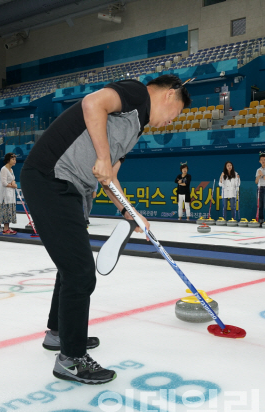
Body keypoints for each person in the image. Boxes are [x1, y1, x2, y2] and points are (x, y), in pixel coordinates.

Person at [21, 74, 191, 384]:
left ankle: (59, 334)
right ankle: (71, 360)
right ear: (170, 96)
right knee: (80, 272)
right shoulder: (136, 93)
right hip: (50, 177)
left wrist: (130, 212)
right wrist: (101, 156)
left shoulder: (134, 128)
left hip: (68, 186)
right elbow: (92, 103)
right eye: (176, 114)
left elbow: (108, 177)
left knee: (71, 265)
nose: (171, 122)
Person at [0, 153, 18, 235]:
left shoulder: (11, 170)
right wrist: (12, 185)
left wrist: (13, 183)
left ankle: (7, 227)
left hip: (11, 194)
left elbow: (12, 179)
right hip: (5, 194)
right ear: (8, 160)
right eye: (13, 159)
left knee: (10, 210)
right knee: (6, 210)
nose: (15, 161)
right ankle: (5, 229)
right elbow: (3, 183)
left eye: (15, 159)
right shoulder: (4, 169)